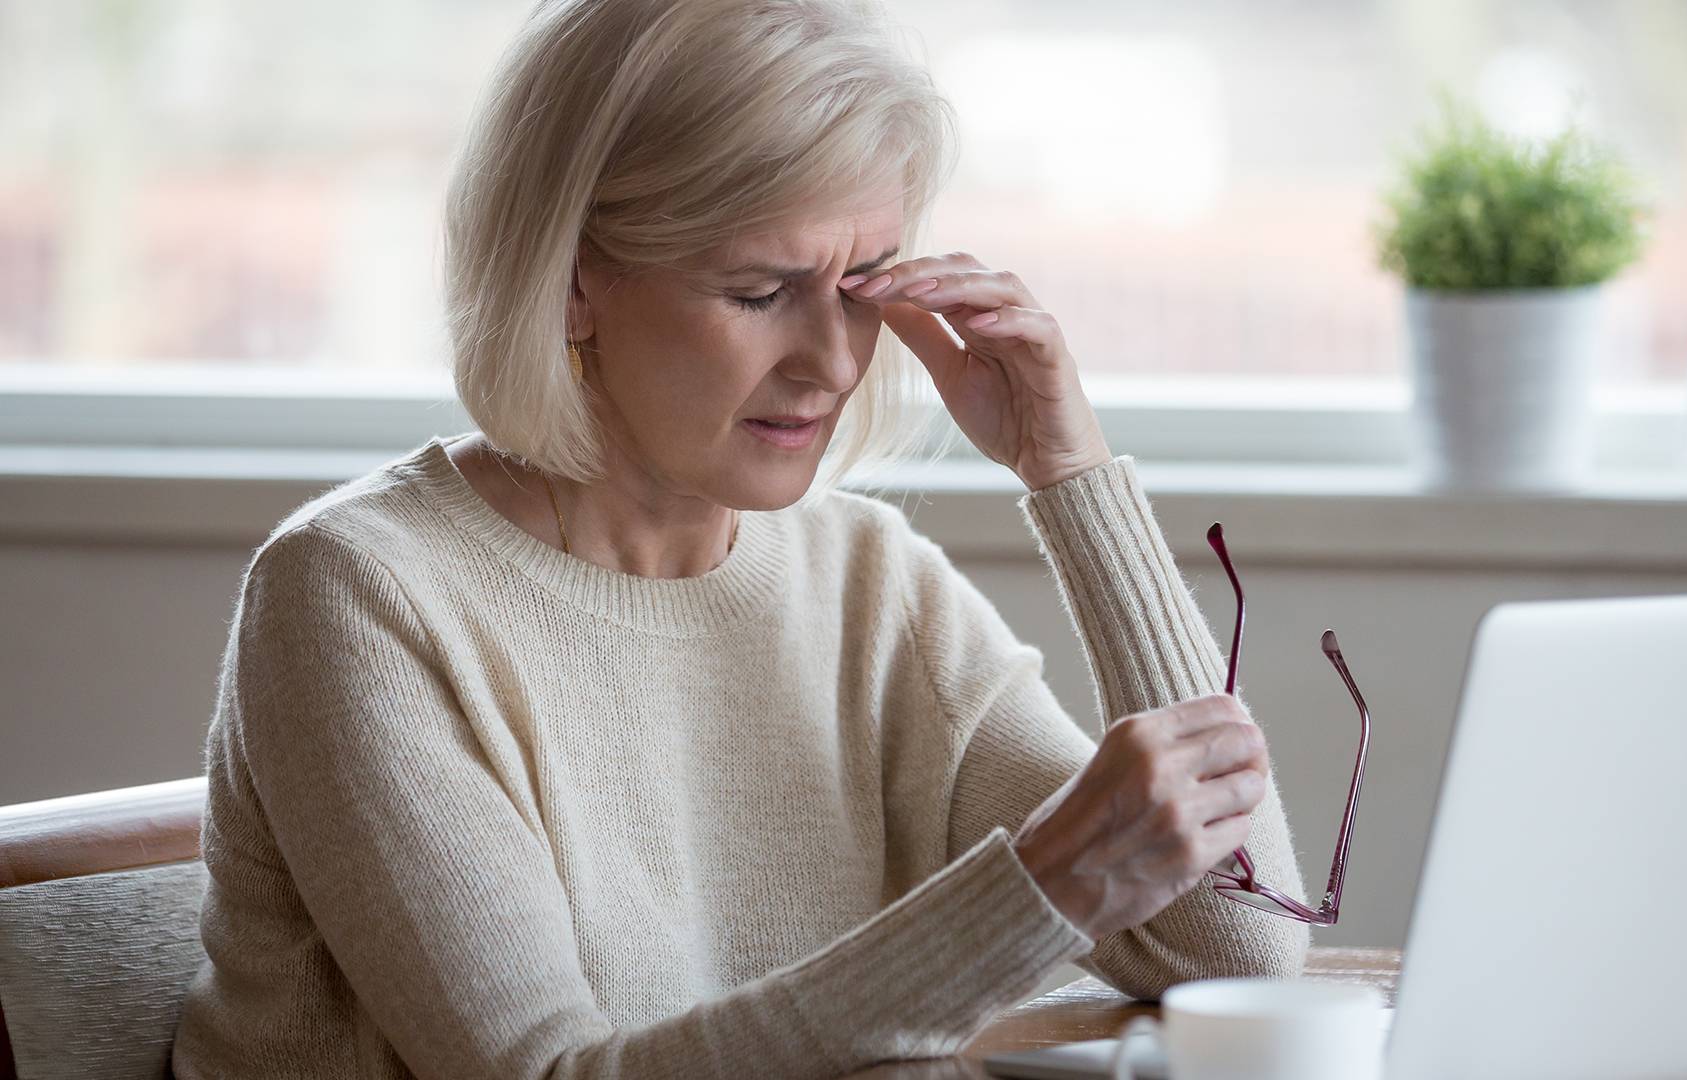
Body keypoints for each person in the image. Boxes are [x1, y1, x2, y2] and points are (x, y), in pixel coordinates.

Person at [169, 0, 1308, 1075]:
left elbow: (1233, 950)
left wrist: (1072, 476)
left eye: (863, 288)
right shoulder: (357, 596)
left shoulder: (868, 585)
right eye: (763, 291)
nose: (837, 359)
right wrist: (1041, 893)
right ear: (572, 286)